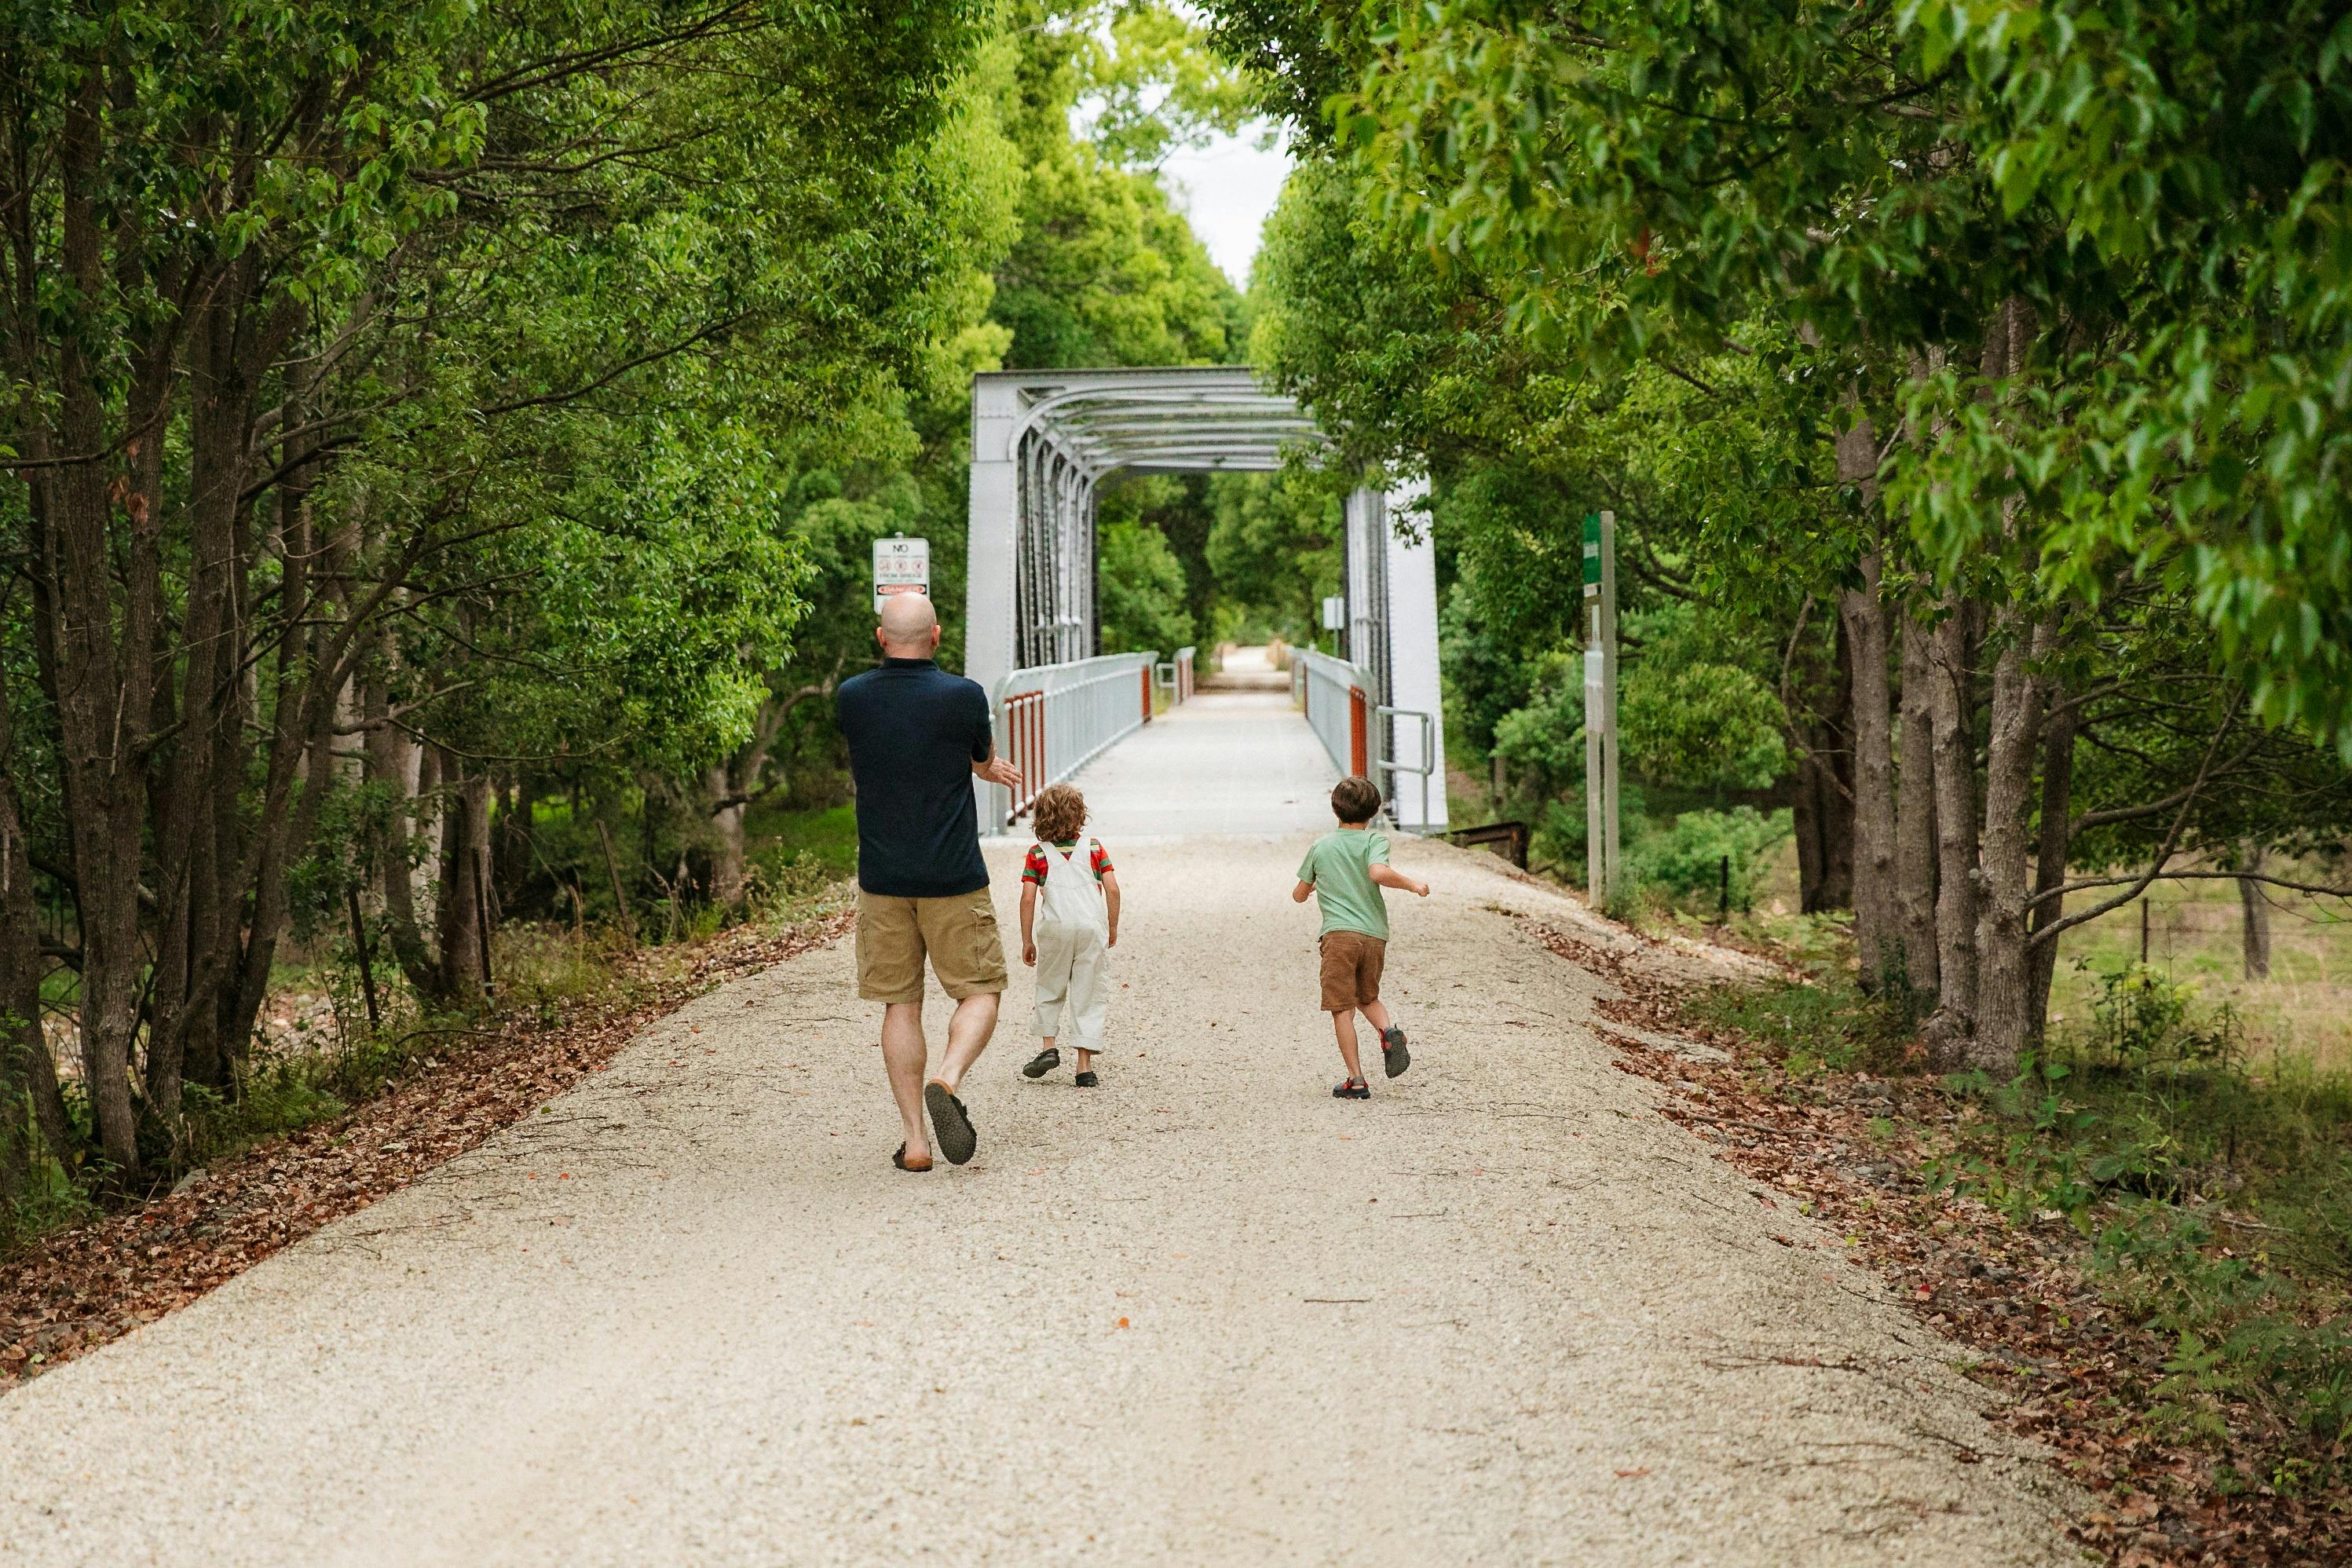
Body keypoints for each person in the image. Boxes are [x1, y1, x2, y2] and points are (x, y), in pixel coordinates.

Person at [834, 594, 1022, 1171]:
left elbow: (895, 748)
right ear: (936, 636)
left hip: (884, 878)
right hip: (953, 876)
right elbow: (976, 754)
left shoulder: (852, 698)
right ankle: (949, 1076)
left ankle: (915, 1141)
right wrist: (984, 766)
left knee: (899, 1004)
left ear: (879, 637)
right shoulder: (963, 696)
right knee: (980, 989)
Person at [1292, 775, 1429, 1099]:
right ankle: (1389, 1032)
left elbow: (1298, 895)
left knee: (1343, 1009)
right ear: (1373, 812)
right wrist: (1413, 885)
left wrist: (1311, 886)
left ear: (1335, 809)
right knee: (1367, 997)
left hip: (1339, 937)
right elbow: (1378, 871)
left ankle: (1356, 1080)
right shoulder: (1375, 841)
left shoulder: (1321, 846)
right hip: (1374, 936)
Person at [1015, 784, 1121, 1088]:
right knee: (1088, 992)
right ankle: (1084, 1067)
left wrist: (1027, 940)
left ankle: (1049, 1047)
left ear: (1041, 818)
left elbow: (1027, 898)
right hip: (1090, 928)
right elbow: (1112, 889)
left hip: (1055, 930)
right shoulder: (1095, 848)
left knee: (1050, 986)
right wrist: (1111, 926)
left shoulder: (1037, 854)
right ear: (1079, 816)